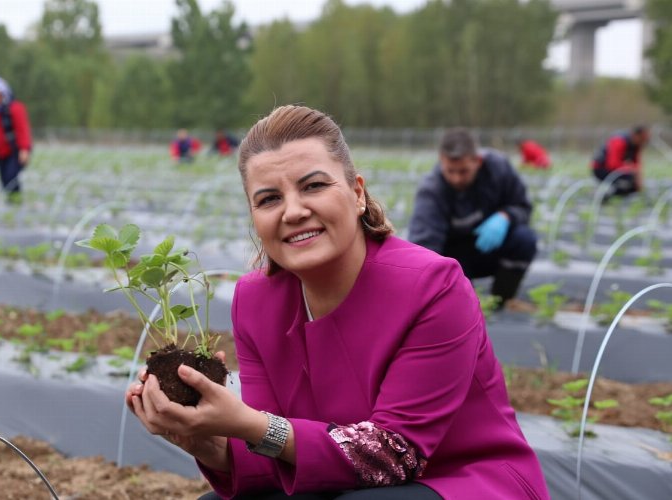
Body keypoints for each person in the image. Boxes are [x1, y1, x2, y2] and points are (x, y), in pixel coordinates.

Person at [126, 106, 549, 499]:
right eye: (269, 198)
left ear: (357, 192)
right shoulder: (255, 300)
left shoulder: (433, 287)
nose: (293, 211)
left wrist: (248, 423)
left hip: (463, 481)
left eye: (313, 185)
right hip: (348, 482)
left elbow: (394, 454)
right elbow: (278, 447)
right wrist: (207, 442)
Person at [408, 128, 537, 308]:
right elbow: (425, 246)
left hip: (489, 248)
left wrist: (506, 216)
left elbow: (523, 206)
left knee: (524, 239)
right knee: (460, 305)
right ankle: (463, 304)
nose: (456, 178)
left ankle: (499, 302)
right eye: (450, 171)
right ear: (441, 161)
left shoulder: (498, 169)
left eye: (464, 171)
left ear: (478, 161)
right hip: (454, 258)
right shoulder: (432, 190)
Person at [0, 76, 32, 202]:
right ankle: (12, 201)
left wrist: (24, 149)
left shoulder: (15, 109)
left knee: (11, 177)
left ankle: (16, 201)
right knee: (4, 180)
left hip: (14, 151)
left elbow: (22, 130)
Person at [591, 125, 649, 198]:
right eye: (643, 138)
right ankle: (603, 194)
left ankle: (612, 196)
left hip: (616, 169)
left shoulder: (636, 145)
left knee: (634, 185)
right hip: (601, 169)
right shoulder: (619, 141)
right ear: (636, 135)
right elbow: (612, 164)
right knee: (629, 180)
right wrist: (631, 170)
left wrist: (638, 175)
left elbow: (636, 163)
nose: (645, 141)